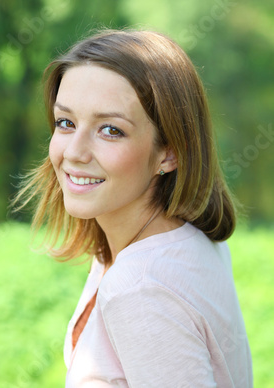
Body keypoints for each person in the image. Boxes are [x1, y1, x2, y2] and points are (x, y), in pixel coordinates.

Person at [15, 29, 253, 387]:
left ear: (169, 152)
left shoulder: (140, 288)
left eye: (110, 130)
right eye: (66, 122)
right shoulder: (179, 240)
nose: (74, 152)